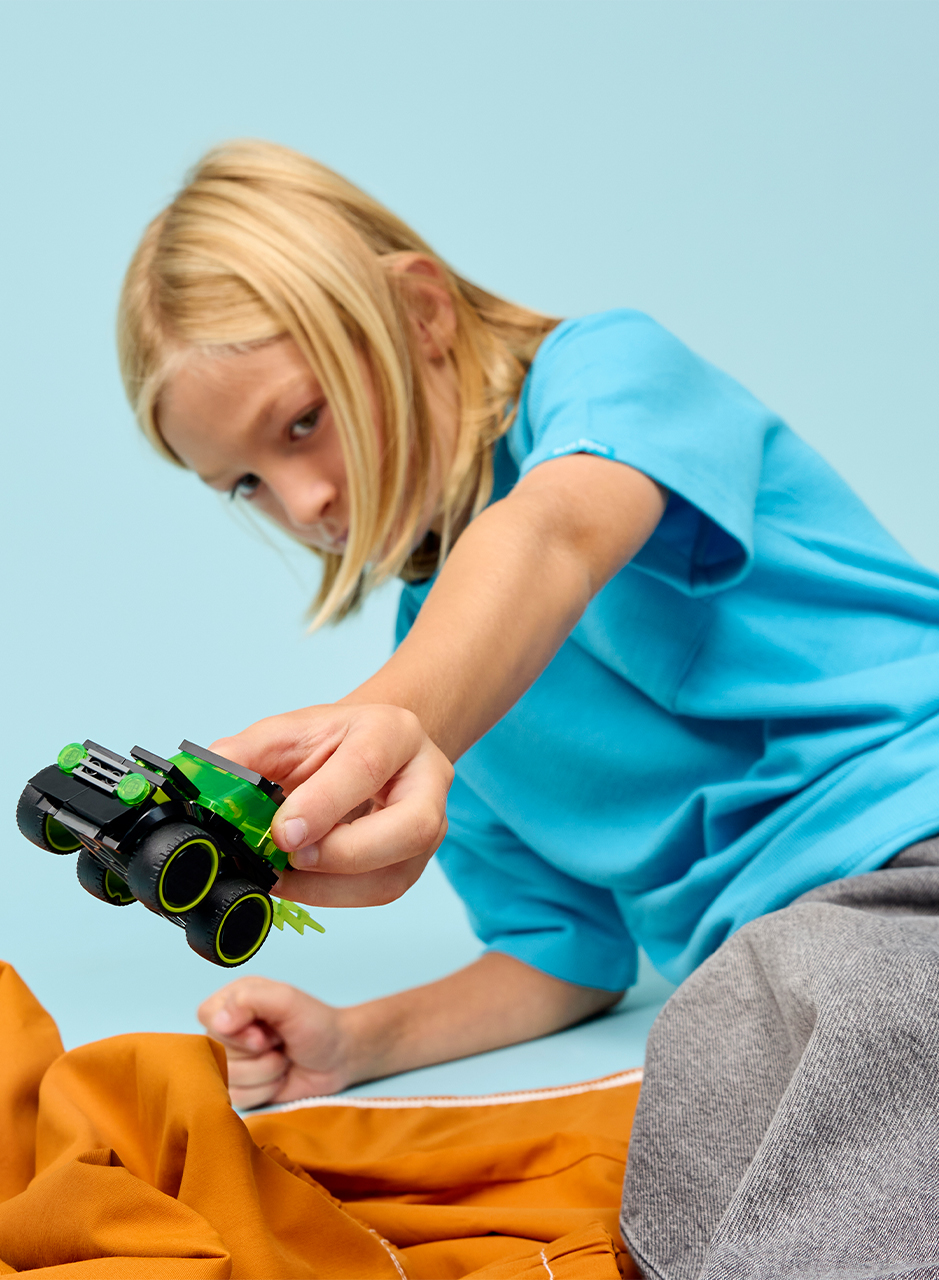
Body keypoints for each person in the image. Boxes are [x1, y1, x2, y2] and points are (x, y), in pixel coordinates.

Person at [117, 139, 939, 1278]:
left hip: (914, 850)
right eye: (245, 482)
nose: (302, 502)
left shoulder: (605, 375)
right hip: (773, 972)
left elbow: (555, 532)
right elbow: (566, 953)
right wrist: (355, 1040)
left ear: (421, 312)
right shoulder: (448, 674)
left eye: (302, 421)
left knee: (847, 1012)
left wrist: (403, 718)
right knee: (713, 1081)